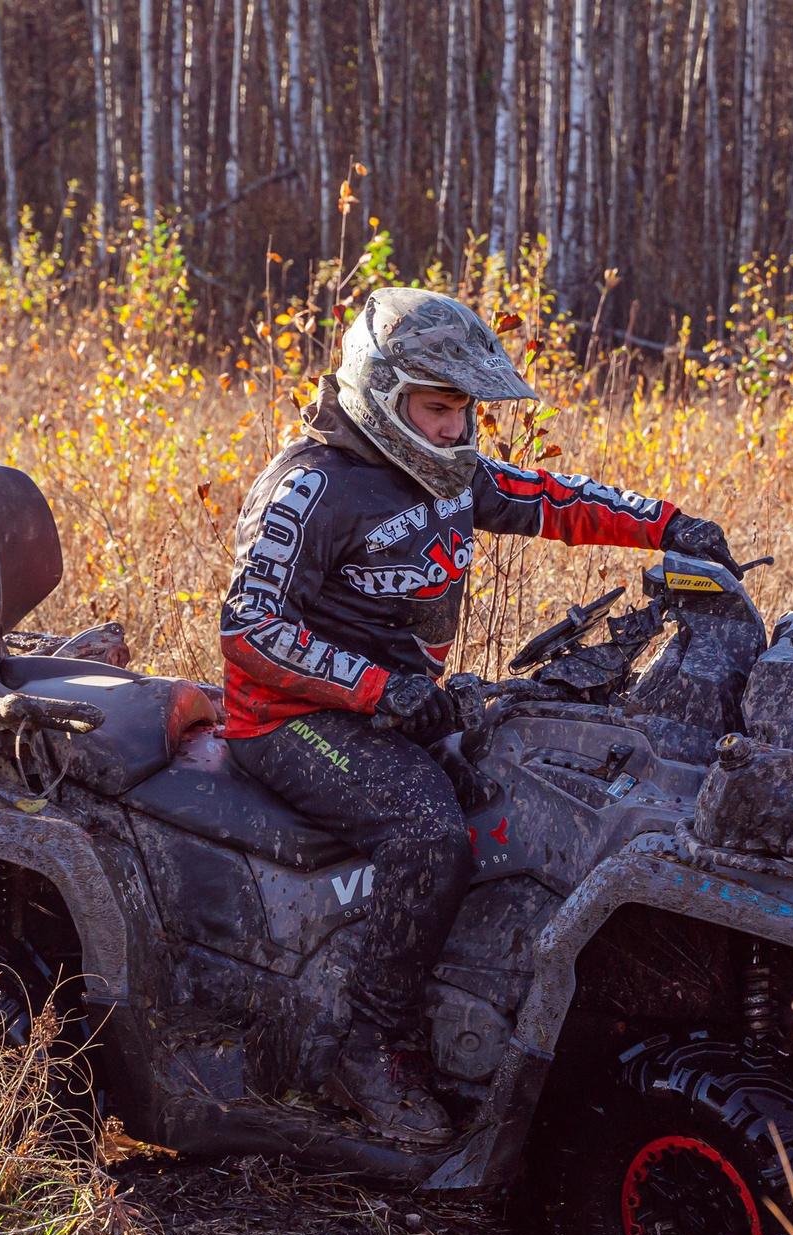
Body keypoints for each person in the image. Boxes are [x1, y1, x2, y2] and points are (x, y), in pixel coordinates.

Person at [217, 287, 739, 1150]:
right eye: (438, 408)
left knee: (524, 789)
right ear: (382, 396)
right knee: (428, 831)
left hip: (394, 706)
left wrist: (669, 527)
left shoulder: (447, 472)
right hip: (287, 719)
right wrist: (376, 688)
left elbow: (550, 498)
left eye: (464, 410)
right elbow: (248, 630)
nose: (458, 429)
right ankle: (369, 1047)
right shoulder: (308, 490)